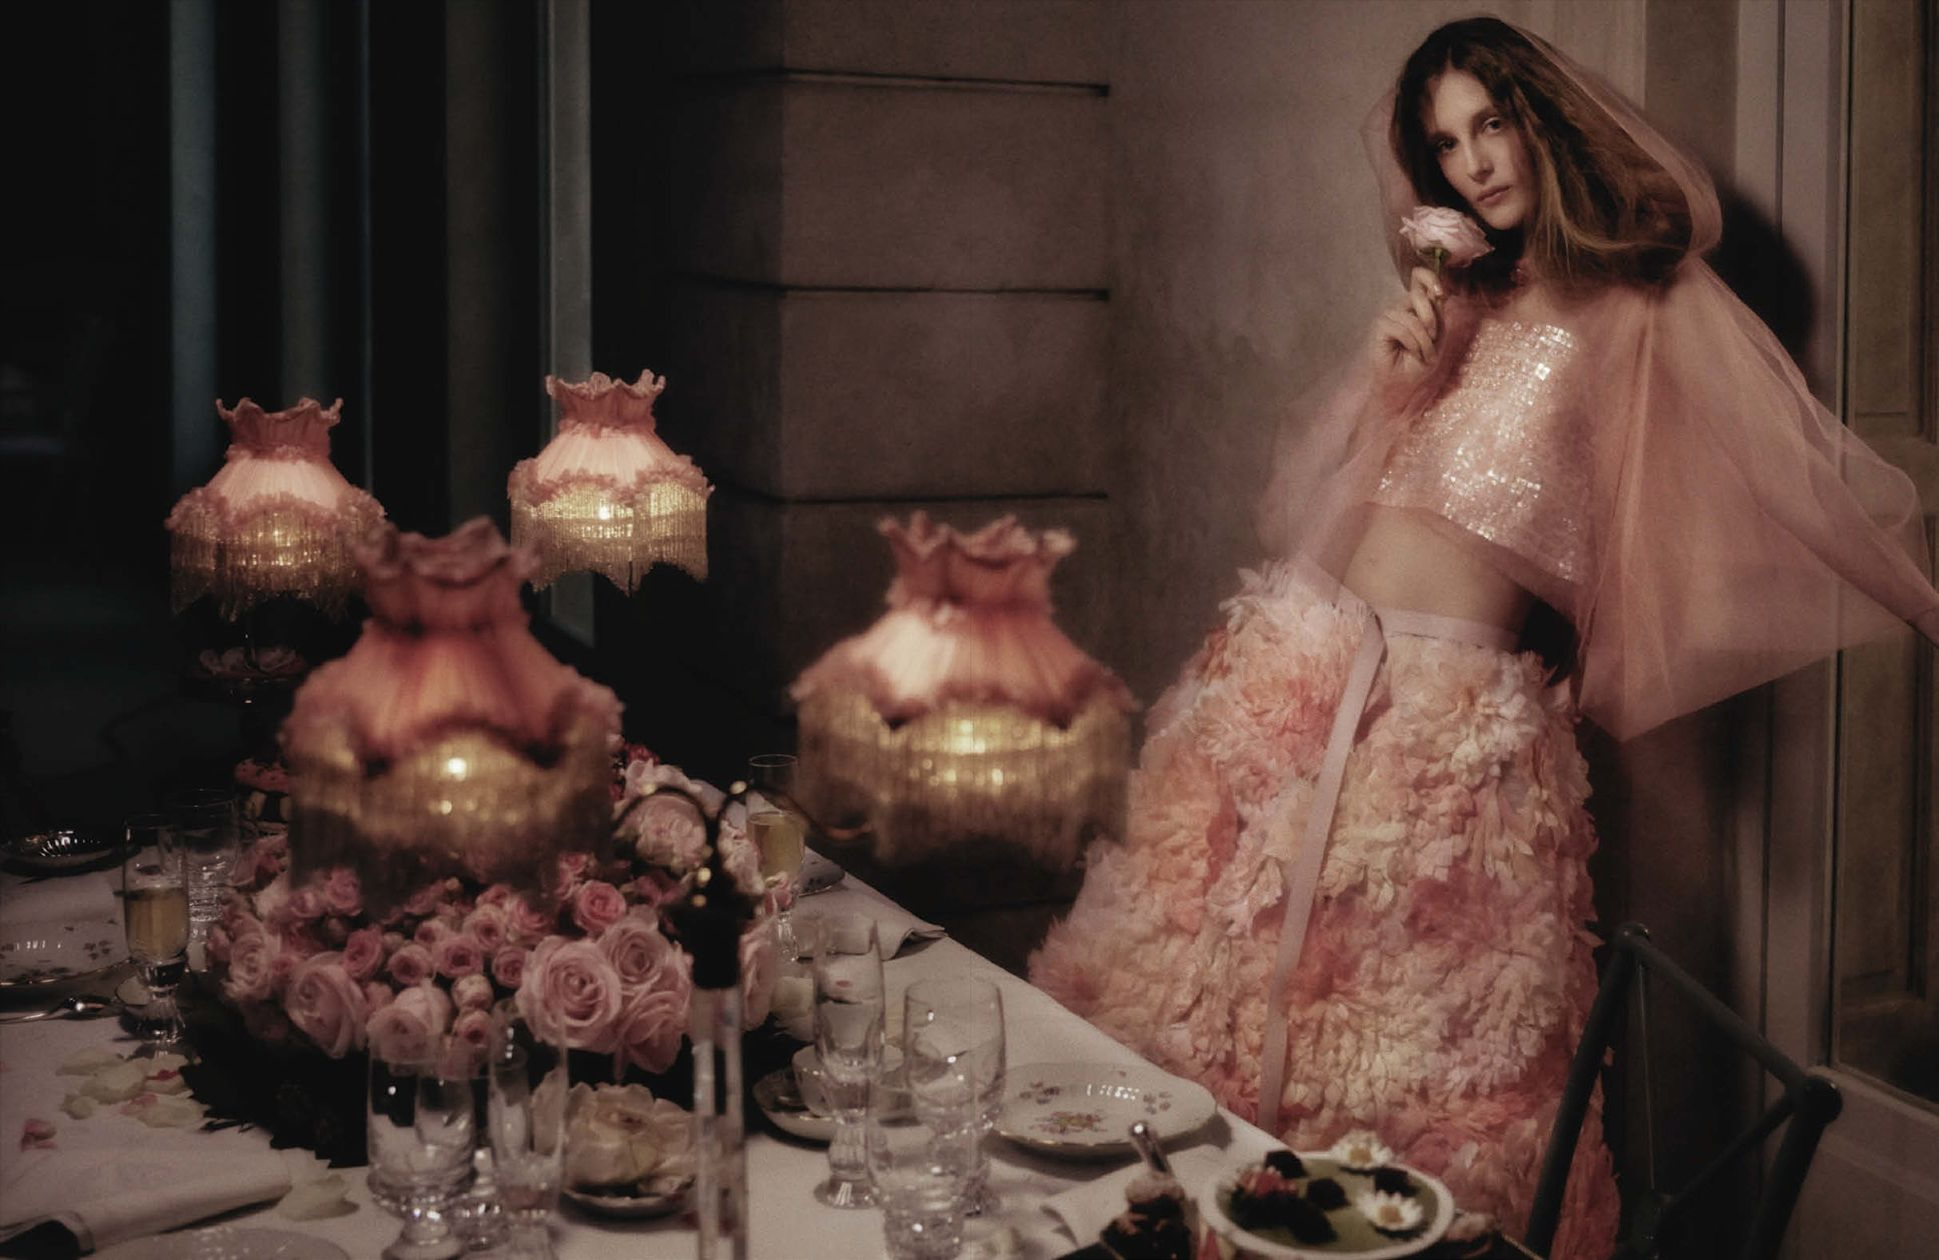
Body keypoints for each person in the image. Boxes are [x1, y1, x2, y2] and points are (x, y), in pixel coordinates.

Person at [1029, 16, 1939, 1258]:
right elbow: (1324, 503)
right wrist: (1391, 371)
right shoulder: (1465, 295)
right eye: (1447, 143)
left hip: (1447, 730)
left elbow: (1789, 468)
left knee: (1412, 1068)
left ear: (1541, 118)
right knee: (1203, 1000)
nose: (1472, 164)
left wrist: (1921, 591)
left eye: (1491, 124)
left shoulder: (1640, 298)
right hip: (1304, 669)